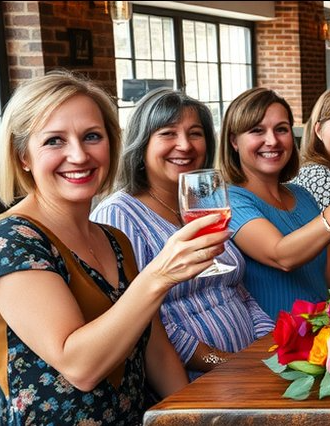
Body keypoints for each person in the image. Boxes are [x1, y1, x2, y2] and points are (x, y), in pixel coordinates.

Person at [0, 71, 222, 423]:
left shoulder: (114, 238)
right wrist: (159, 275)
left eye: (92, 136)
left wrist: (191, 417)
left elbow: (156, 351)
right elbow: (80, 367)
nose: (79, 155)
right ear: (22, 156)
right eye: (54, 141)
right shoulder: (11, 239)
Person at [91, 89, 273, 380]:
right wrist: (224, 362)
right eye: (168, 133)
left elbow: (237, 290)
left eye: (195, 133)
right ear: (142, 143)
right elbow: (146, 325)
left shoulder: (206, 200)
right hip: (192, 381)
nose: (185, 145)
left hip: (247, 369)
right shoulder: (119, 214)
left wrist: (267, 345)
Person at [216, 88, 330, 315]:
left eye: (281, 129)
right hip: (278, 333)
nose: (272, 141)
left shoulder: (302, 195)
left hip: (326, 325)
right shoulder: (228, 201)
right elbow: (282, 256)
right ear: (234, 141)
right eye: (257, 131)